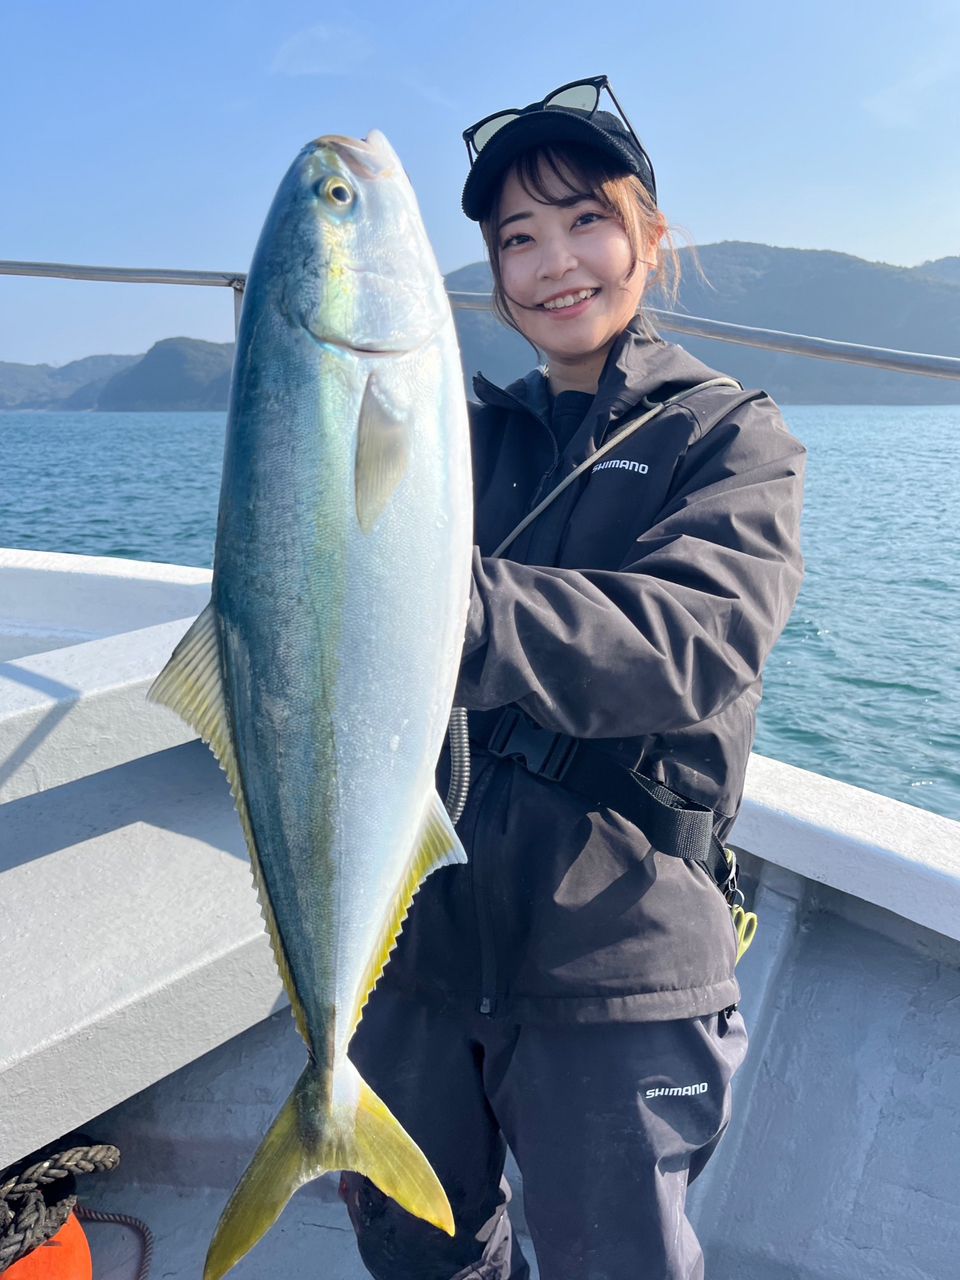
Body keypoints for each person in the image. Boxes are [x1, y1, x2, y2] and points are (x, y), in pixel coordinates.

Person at [340, 75, 805, 1279]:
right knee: (418, 1247)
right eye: (517, 239)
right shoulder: (453, 432)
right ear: (492, 275)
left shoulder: (729, 438)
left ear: (650, 234)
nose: (556, 262)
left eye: (584, 220)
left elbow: (692, 641)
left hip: (620, 959)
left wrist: (449, 603)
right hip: (418, 945)